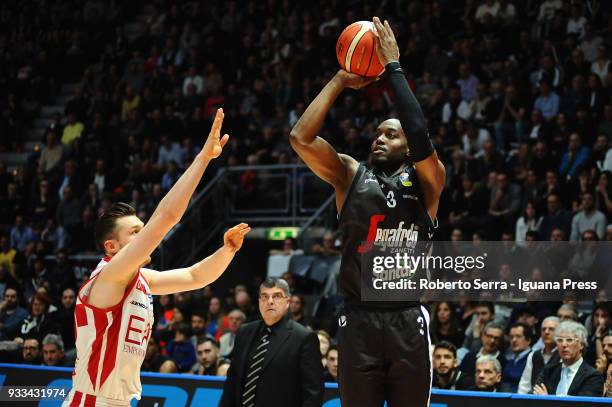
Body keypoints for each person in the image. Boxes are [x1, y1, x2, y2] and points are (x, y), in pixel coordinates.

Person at [289, 17, 444, 406]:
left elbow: (421, 134)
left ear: (409, 147)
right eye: (376, 132)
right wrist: (340, 81)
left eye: (391, 133)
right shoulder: (350, 174)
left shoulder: (429, 180)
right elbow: (300, 137)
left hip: (407, 318)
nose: (379, 137)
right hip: (357, 319)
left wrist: (393, 68)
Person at [62, 109, 251, 406]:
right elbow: (167, 216)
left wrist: (227, 250)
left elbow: (195, 277)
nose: (145, 236)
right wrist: (204, 158)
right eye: (135, 232)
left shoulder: (139, 278)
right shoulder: (108, 278)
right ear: (111, 247)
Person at [219, 278, 323, 407]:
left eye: (277, 296)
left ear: (288, 302)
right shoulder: (244, 332)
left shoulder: (304, 338)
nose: (270, 301)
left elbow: (313, 392)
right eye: (264, 296)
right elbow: (232, 381)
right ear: (258, 302)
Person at [533, 321, 604, 396]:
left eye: (569, 340)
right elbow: (532, 395)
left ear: (581, 345)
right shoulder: (548, 371)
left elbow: (583, 404)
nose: (563, 345)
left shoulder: (592, 376)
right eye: (560, 340)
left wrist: (547, 400)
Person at [518, 316, 560, 394]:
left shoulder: (563, 356)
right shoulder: (533, 355)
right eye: (543, 329)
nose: (546, 332)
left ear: (560, 332)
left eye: (551, 329)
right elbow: (525, 385)